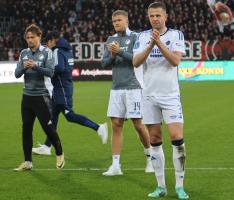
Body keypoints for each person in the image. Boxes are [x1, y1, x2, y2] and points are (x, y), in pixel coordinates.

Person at [133, 2, 189, 199]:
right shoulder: (141, 37)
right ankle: (161, 186)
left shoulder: (176, 35)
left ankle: (180, 186)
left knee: (177, 138)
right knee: (155, 140)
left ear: (166, 16)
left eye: (158, 15)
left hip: (170, 95)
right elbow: (136, 62)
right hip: (149, 95)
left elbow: (175, 61)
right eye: (151, 16)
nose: (154, 19)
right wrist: (151, 44)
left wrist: (159, 43)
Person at [32, 31, 108, 156]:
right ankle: (46, 146)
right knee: (53, 117)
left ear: (53, 40)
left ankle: (98, 128)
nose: (47, 45)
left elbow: (60, 68)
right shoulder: (66, 49)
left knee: (69, 115)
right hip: (63, 87)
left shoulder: (57, 50)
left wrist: (44, 70)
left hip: (61, 88)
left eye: (48, 42)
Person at [102, 10, 153, 176]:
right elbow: (104, 64)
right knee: (116, 125)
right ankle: (116, 165)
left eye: (119, 20)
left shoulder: (136, 38)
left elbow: (137, 60)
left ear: (126, 20)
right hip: (116, 88)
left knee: (138, 124)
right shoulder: (111, 40)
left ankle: (150, 158)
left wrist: (120, 52)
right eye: (114, 21)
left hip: (133, 87)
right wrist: (111, 54)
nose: (116, 23)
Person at [14, 24, 65, 171]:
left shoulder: (47, 52)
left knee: (47, 128)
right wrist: (24, 67)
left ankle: (60, 152)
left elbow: (50, 72)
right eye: (27, 37)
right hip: (27, 97)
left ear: (39, 37)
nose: (30, 40)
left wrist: (35, 66)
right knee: (26, 129)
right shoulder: (24, 52)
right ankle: (28, 162)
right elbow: (17, 74)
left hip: (42, 96)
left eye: (32, 37)